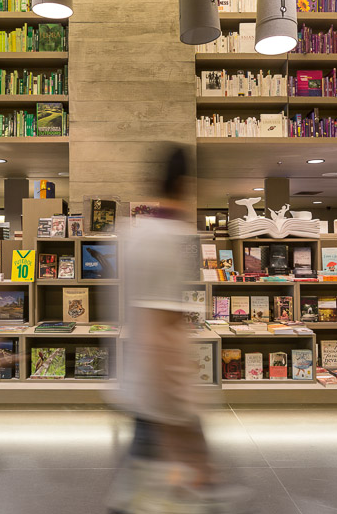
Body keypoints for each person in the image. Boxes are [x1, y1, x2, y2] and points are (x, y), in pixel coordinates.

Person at [107, 144, 254, 514]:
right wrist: (181, 412)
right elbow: (160, 333)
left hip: (141, 386)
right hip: (158, 393)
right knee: (156, 493)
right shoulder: (167, 238)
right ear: (187, 183)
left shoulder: (134, 232)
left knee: (139, 488)